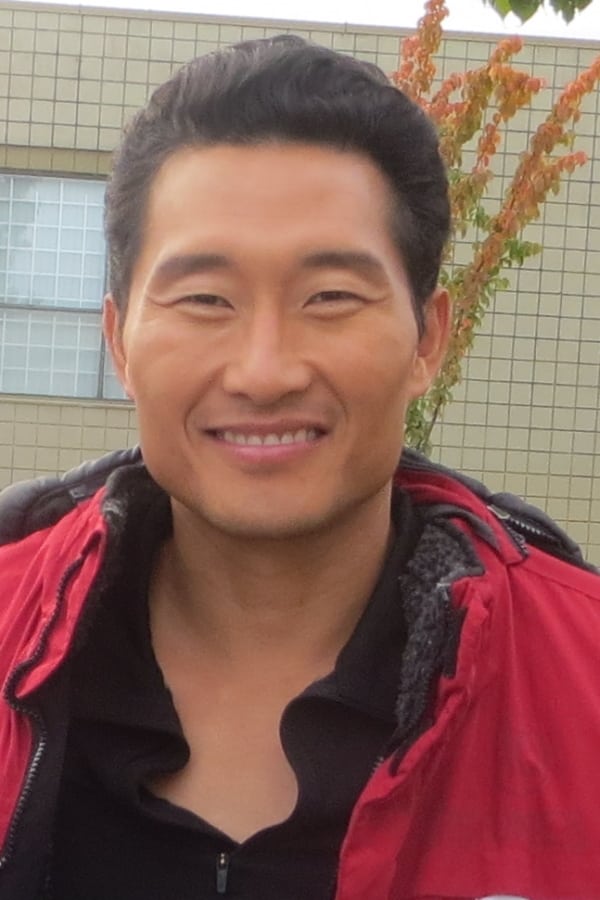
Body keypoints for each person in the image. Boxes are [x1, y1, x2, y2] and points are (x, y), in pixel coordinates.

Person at [0, 35, 598, 900]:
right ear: (119, 343)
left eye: (331, 298)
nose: (265, 371)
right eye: (205, 299)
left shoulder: (581, 679)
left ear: (428, 338)